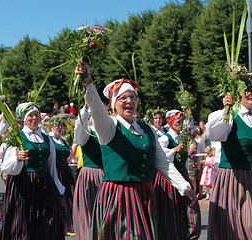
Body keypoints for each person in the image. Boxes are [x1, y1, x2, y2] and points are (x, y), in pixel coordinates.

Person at [75, 63, 197, 239]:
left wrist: (183, 185)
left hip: (144, 195)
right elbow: (97, 108)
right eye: (122, 97)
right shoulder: (109, 126)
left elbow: (163, 162)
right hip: (117, 195)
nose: (129, 101)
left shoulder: (148, 130)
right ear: (113, 103)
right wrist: (88, 82)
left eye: (132, 97)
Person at [0, 102, 65, 239]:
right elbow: (6, 166)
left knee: (49, 219)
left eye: (36, 115)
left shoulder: (47, 139)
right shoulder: (18, 137)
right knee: (24, 221)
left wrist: (57, 186)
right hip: (24, 184)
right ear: (24, 118)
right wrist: (17, 158)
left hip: (45, 183)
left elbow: (51, 164)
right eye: (30, 116)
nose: (34, 118)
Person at [206, 91, 252, 239]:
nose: (251, 94)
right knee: (236, 229)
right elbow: (213, 134)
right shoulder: (231, 116)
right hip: (234, 180)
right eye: (247, 90)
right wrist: (226, 110)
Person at [154, 110, 201, 239]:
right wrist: (174, 150)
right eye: (178, 122)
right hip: (169, 178)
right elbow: (160, 157)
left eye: (181, 122)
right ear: (171, 123)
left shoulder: (182, 138)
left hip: (183, 174)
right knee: (171, 210)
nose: (180, 124)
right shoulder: (165, 138)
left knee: (189, 207)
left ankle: (187, 234)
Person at [73, 103, 104, 240]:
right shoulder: (87, 133)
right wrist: (84, 109)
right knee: (89, 213)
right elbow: (79, 129)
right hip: (90, 176)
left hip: (107, 175)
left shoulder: (107, 132)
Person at [48, 117, 75, 236]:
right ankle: (61, 225)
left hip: (65, 170)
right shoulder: (49, 139)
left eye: (61, 126)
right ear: (51, 127)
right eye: (56, 126)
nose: (59, 128)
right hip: (56, 170)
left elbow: (69, 156)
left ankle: (70, 225)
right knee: (60, 198)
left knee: (69, 196)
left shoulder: (63, 140)